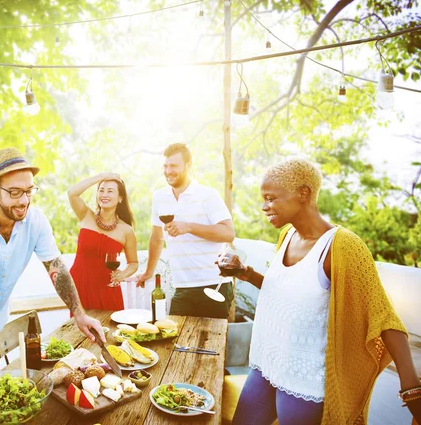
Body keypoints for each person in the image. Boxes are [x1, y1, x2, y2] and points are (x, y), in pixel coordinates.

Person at [226, 158, 421, 425]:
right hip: (266, 364)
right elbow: (288, 292)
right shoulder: (287, 236)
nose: (264, 206)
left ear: (303, 194)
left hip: (304, 381)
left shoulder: (342, 246)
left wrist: (411, 388)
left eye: (271, 198)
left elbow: (383, 317)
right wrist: (245, 273)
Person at [0, 147, 105, 386]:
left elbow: (55, 267)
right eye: (15, 192)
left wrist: (79, 313)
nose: (24, 200)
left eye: (29, 191)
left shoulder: (36, 220)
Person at [137, 143, 236, 318]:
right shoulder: (160, 197)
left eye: (174, 166)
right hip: (182, 287)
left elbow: (228, 233)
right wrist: (148, 271)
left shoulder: (207, 195)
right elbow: (157, 237)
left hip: (214, 284)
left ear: (188, 166)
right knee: (177, 343)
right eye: (165, 166)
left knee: (211, 344)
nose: (168, 171)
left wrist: (189, 227)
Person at [67, 173, 139, 311]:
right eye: (101, 190)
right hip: (79, 286)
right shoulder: (85, 215)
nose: (104, 194)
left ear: (120, 198)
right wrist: (102, 176)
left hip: (107, 288)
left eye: (110, 191)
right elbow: (72, 193)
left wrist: (123, 274)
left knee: (111, 329)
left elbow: (133, 263)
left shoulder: (126, 230)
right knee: (80, 331)